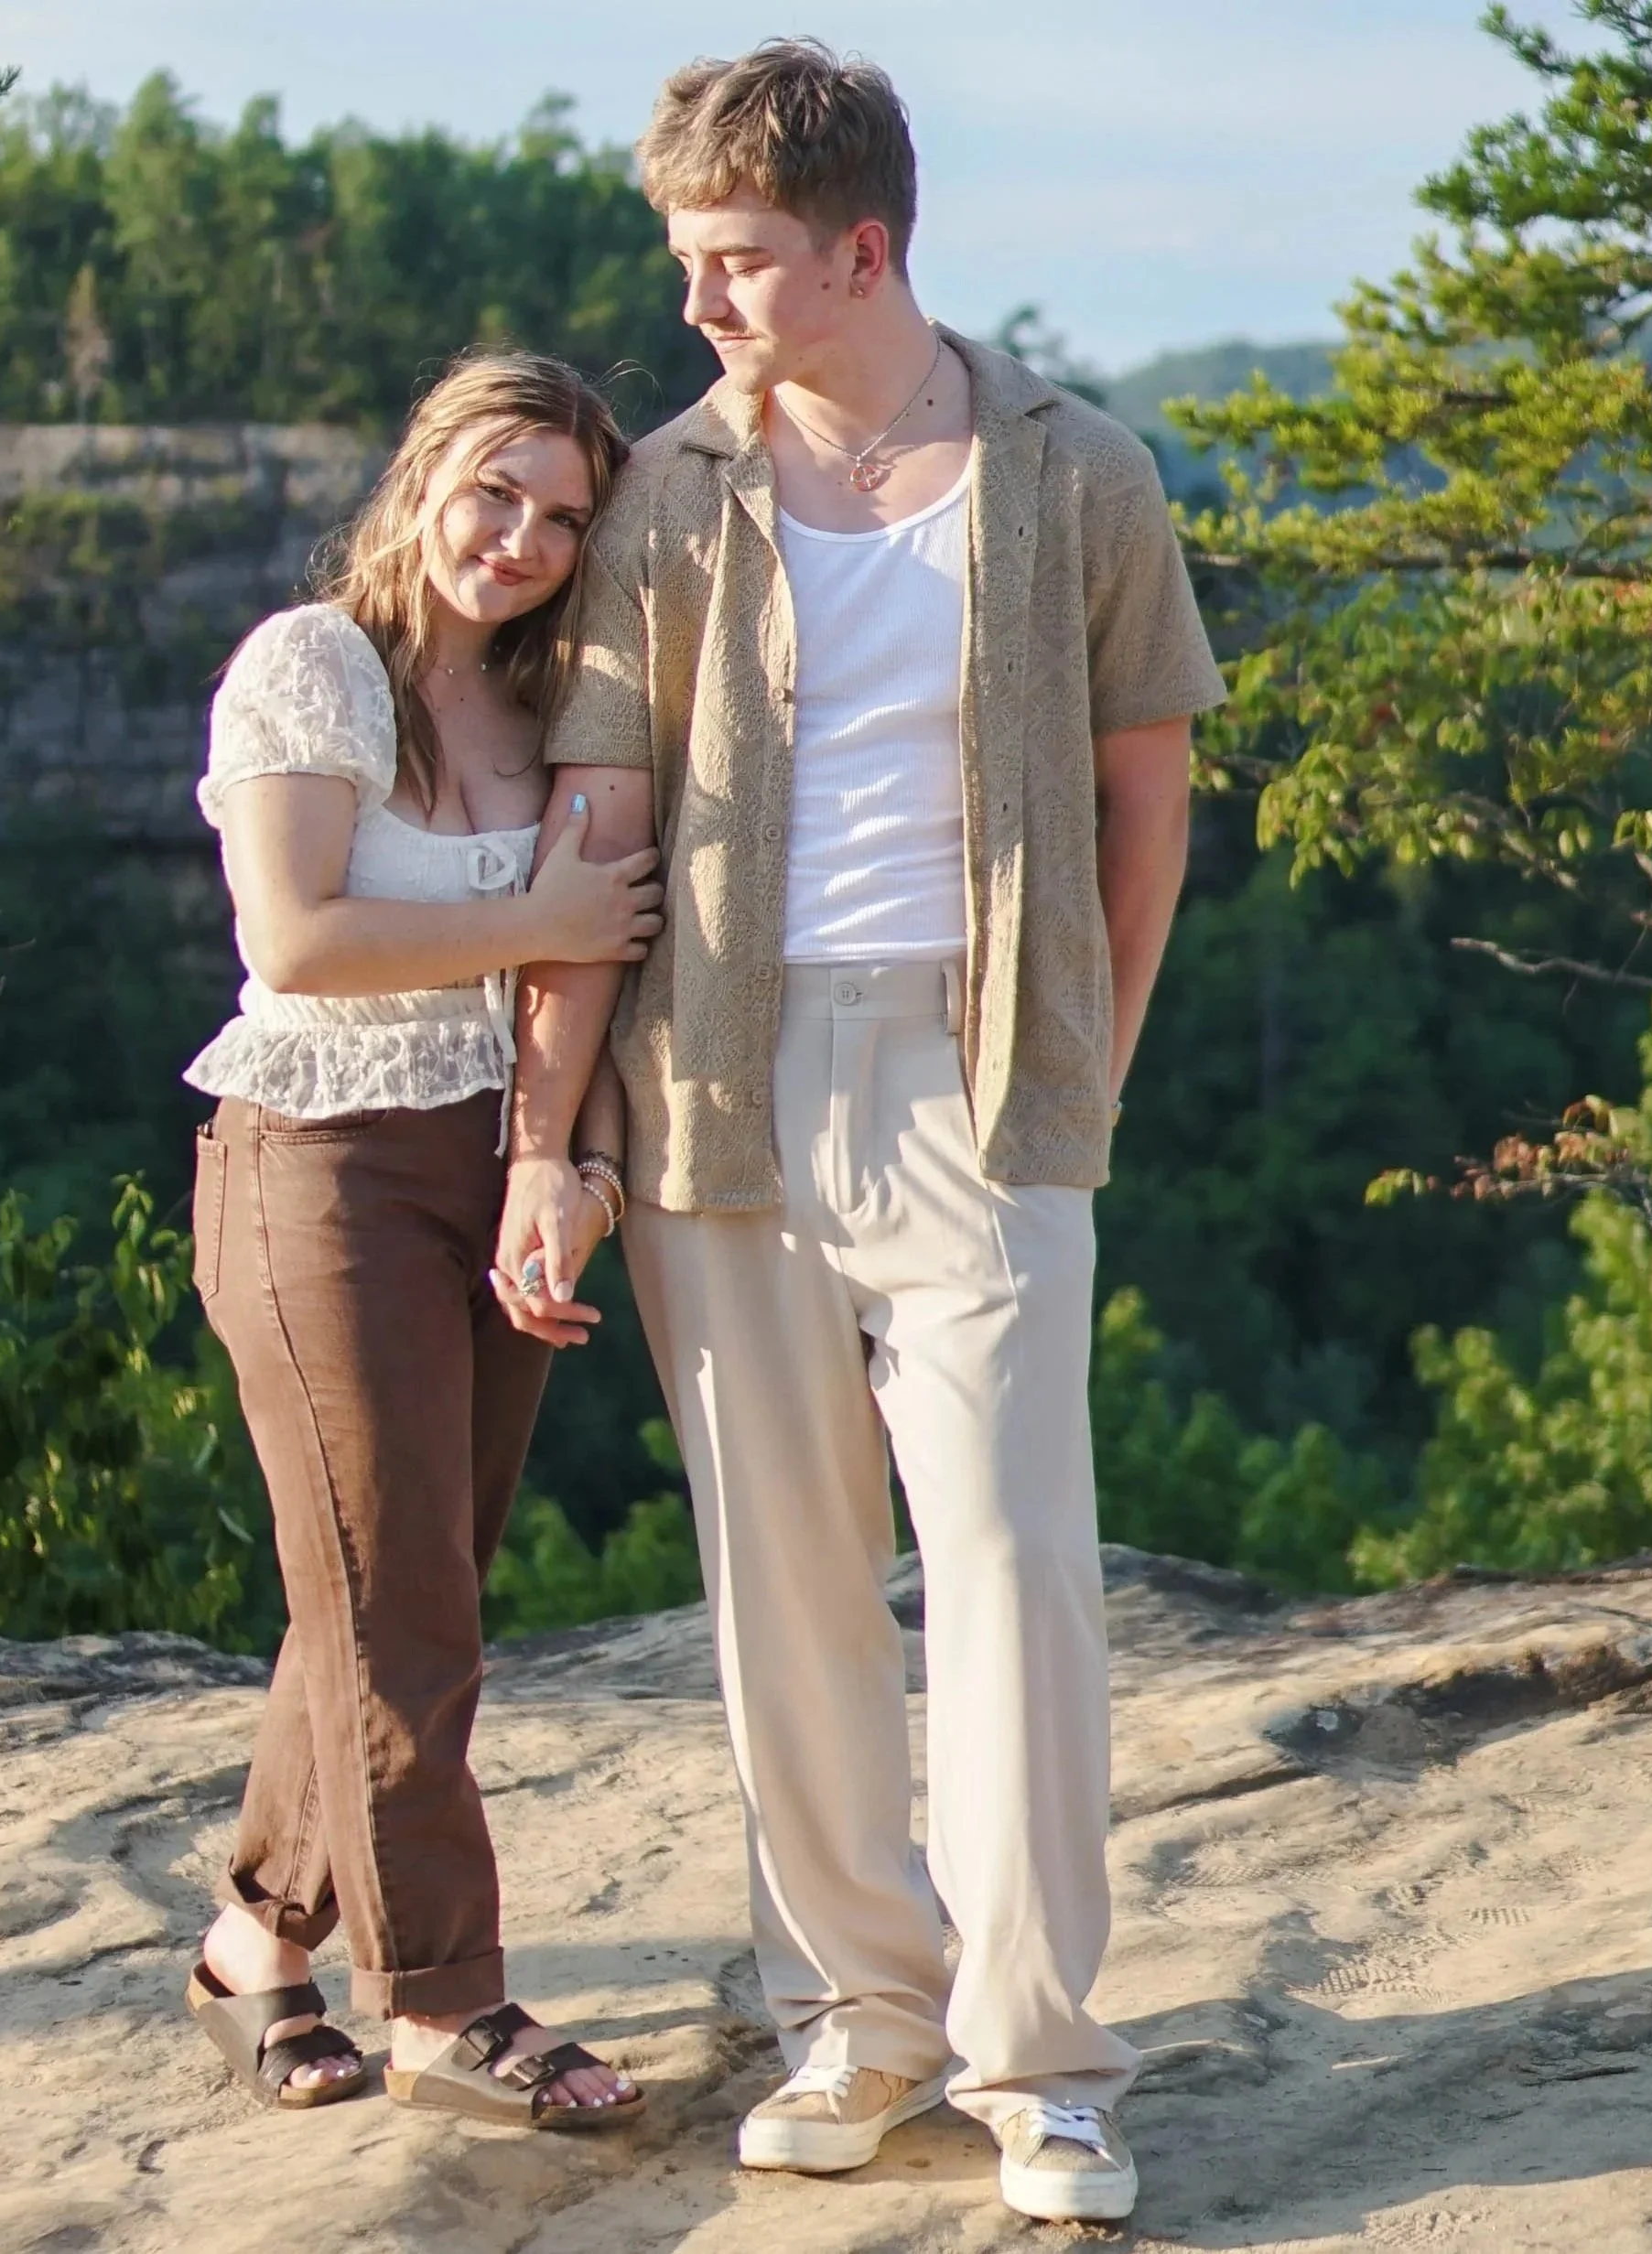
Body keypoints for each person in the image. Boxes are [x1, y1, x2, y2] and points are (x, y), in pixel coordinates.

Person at [492, 43, 1225, 2224]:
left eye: (736, 265)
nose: (700, 304)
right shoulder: (666, 499)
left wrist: (1078, 1064)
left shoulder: (1075, 471)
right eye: (688, 263)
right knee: (784, 1582)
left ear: (864, 249)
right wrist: (553, 1133)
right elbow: (594, 826)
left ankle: (1041, 2060)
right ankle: (854, 2018)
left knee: (1010, 1569)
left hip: (982, 1076)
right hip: (716, 1076)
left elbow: (1147, 800)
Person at [182, 350, 658, 2130]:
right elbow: (299, 935)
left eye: (562, 519)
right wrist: (535, 906)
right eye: (494, 491)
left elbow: (599, 976)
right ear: (423, 471)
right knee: (403, 1606)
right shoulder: (313, 667)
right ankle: (447, 2008)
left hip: (495, 1163)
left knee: (391, 1588)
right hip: (319, 1161)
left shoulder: (551, 712)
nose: (520, 540)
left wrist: (578, 1167)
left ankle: (253, 1946)